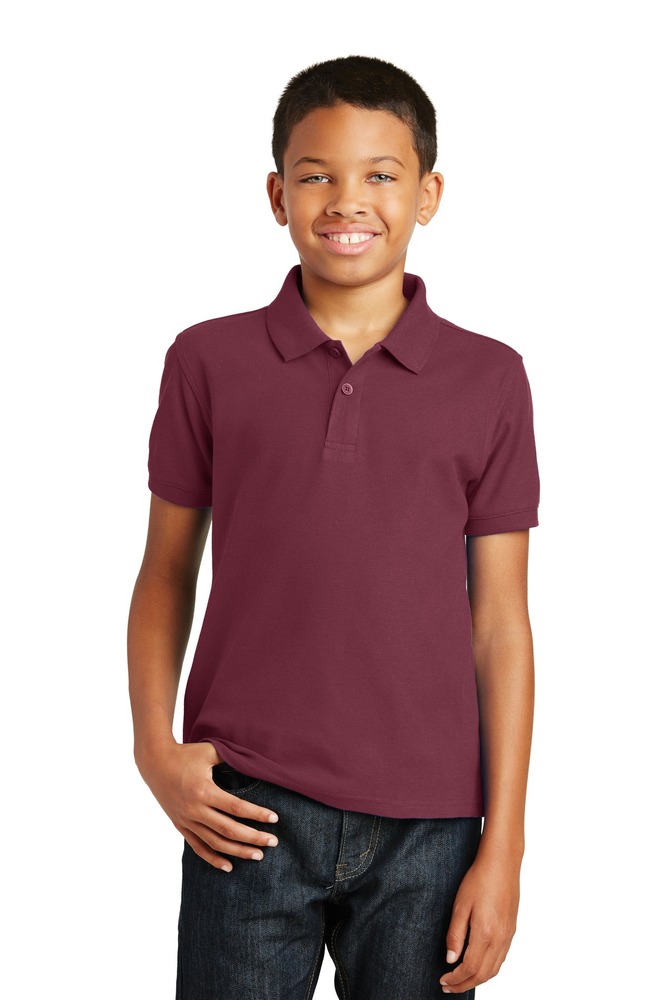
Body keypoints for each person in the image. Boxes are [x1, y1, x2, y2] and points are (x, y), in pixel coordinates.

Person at [127, 54, 540, 999]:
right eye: (316, 175)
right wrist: (155, 750)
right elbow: (164, 574)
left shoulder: (490, 378)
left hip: (431, 826)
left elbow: (500, 623)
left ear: (427, 194)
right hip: (243, 806)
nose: (347, 200)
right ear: (277, 194)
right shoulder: (206, 360)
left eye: (380, 174)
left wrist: (504, 845)